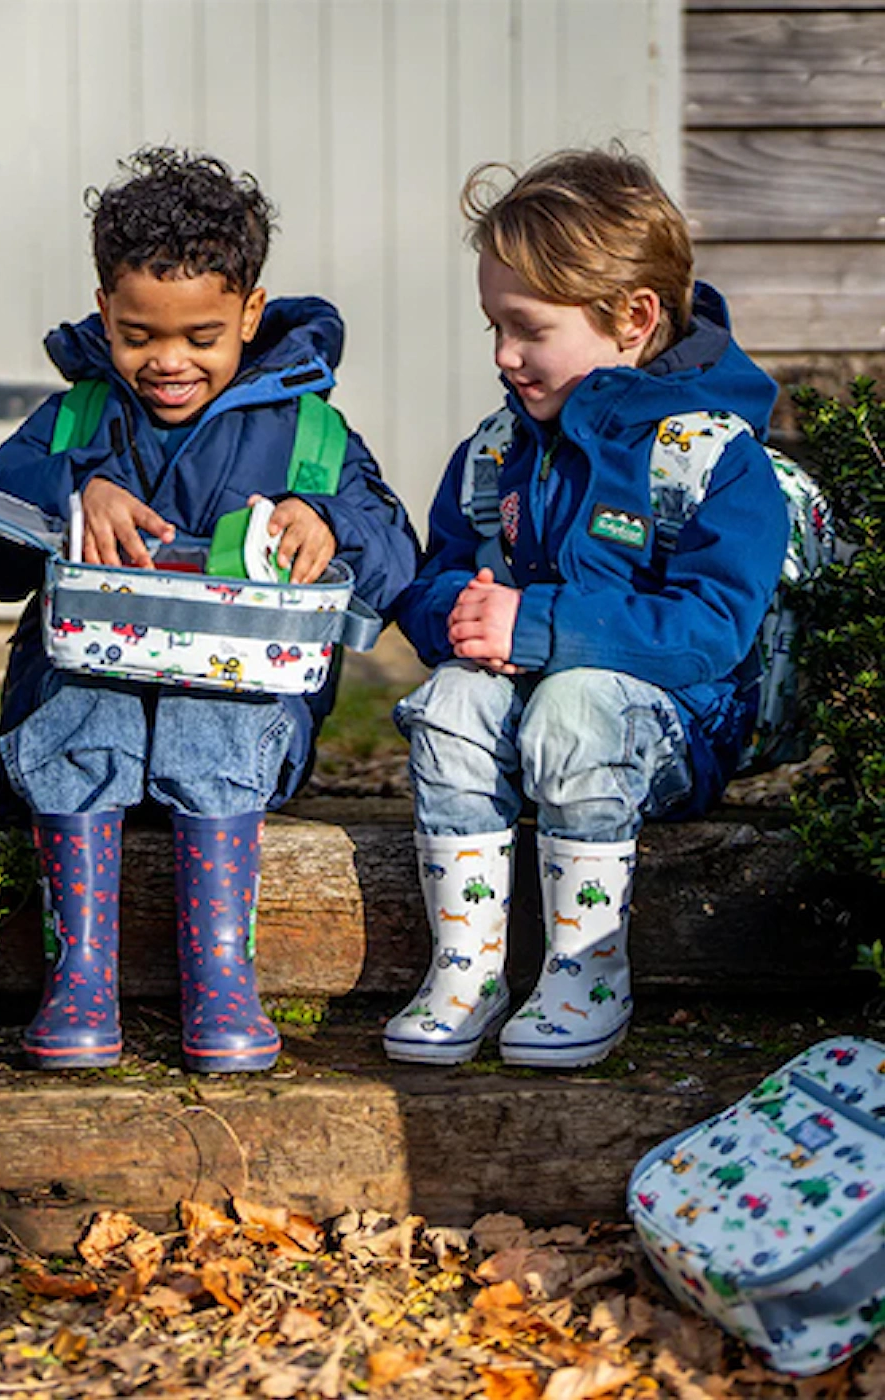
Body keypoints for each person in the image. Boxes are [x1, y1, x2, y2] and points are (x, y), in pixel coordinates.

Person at [0, 146, 418, 1074]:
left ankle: (221, 979)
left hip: (238, 743)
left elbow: (393, 553)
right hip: (82, 739)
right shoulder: (77, 423)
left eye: (201, 336)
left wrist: (326, 525)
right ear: (104, 312)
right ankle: (80, 975)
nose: (168, 362)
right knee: (86, 695)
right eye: (138, 336)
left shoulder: (309, 433)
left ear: (250, 311)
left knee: (217, 701)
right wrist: (71, 494)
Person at [383, 146, 789, 1070]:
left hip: (664, 736)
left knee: (575, 705)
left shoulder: (710, 457)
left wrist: (540, 626)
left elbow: (713, 629)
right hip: (523, 717)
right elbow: (439, 568)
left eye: (526, 328)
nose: (502, 355)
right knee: (450, 701)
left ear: (633, 319)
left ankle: (584, 970)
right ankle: (468, 966)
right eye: (491, 325)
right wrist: (454, 613)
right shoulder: (500, 450)